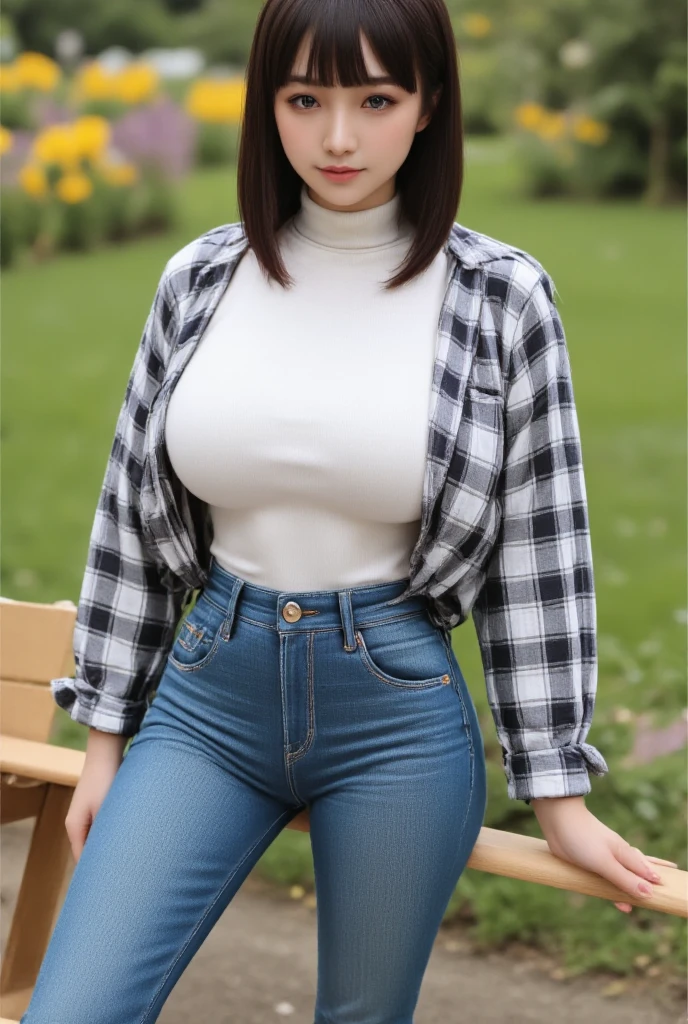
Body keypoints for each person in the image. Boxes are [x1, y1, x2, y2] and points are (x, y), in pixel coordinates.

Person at [21, 1, 676, 1021]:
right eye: (303, 98)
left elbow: (540, 556)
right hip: (206, 705)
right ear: (265, 107)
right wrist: (105, 739)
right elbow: (129, 518)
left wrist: (559, 795)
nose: (336, 136)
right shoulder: (199, 278)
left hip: (394, 716)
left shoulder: (500, 299)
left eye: (376, 98)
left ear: (427, 108)